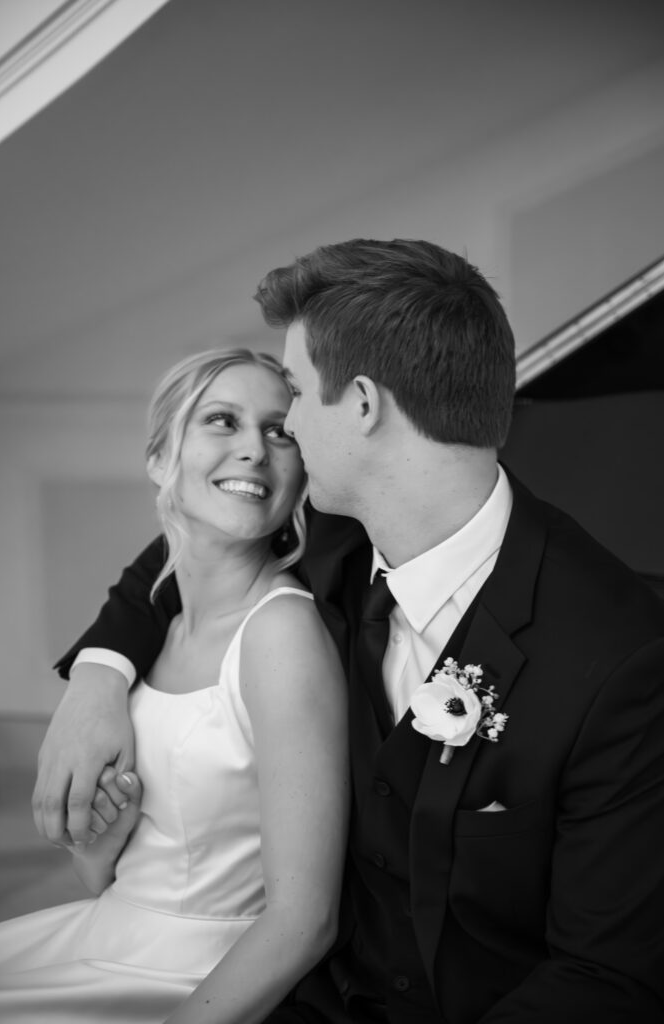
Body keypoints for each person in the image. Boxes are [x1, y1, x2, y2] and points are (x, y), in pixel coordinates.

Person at [33, 239, 664, 1023]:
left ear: (361, 404)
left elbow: (605, 978)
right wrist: (98, 678)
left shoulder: (622, 656)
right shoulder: (331, 536)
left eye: (293, 394)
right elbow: (181, 551)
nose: (283, 428)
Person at [0, 348, 349, 1024]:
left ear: (301, 474)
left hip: (196, 980)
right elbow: (113, 879)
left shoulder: (280, 634)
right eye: (221, 420)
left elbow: (305, 921)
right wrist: (96, 834)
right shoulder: (156, 625)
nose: (254, 450)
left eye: (278, 430)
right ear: (159, 460)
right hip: (105, 935)